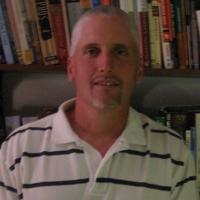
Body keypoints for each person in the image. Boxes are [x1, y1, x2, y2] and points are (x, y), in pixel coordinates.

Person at [0, 6, 199, 200]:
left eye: (120, 52)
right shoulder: (18, 149)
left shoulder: (174, 153)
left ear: (138, 69)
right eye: (92, 51)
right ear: (71, 68)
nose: (106, 65)